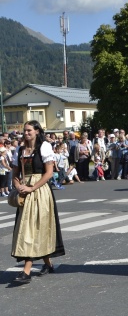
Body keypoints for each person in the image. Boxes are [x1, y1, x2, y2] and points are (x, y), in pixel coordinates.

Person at [10, 120, 65, 284]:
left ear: (37, 131)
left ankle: (26, 271)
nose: (26, 133)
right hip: (25, 192)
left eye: (29, 131)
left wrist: (32, 188)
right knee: (29, 228)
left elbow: (48, 173)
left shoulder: (44, 147)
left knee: (35, 227)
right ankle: (47, 264)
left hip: (40, 191)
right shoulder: (20, 150)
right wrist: (18, 185)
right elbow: (15, 173)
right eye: (25, 131)